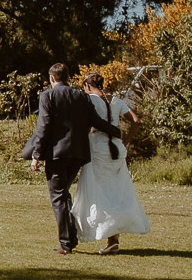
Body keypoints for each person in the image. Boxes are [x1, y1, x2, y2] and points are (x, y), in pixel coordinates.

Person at [20, 62, 122, 255]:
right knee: (63, 195)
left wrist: (36, 155)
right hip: (78, 154)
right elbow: (95, 121)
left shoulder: (47, 96)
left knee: (58, 197)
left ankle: (66, 243)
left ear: (52, 78)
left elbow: (44, 126)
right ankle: (70, 238)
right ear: (68, 77)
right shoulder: (82, 97)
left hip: (57, 154)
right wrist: (115, 131)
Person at [74, 72, 150, 253]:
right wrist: (126, 141)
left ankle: (105, 232)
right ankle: (113, 238)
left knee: (99, 192)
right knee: (115, 191)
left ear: (86, 85)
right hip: (116, 149)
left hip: (98, 149)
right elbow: (136, 121)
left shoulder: (90, 100)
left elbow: (86, 126)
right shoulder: (115, 100)